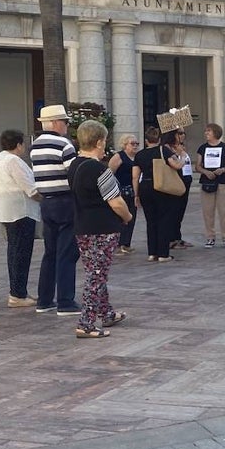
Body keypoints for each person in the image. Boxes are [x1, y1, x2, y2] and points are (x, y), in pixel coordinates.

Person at [67, 120, 133, 338]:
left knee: (95, 271)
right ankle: (86, 323)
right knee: (96, 275)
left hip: (83, 227)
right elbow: (116, 202)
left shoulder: (75, 165)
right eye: (104, 140)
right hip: (102, 229)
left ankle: (106, 313)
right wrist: (128, 216)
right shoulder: (98, 169)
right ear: (98, 142)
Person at [30, 104, 78, 315]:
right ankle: (66, 302)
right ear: (57, 123)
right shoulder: (64, 145)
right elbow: (73, 173)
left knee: (50, 253)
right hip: (65, 201)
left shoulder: (35, 145)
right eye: (65, 121)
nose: (67, 125)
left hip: (46, 202)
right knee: (66, 252)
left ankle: (45, 299)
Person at [0, 129, 40, 308]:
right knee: (21, 253)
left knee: (14, 252)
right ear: (18, 144)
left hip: (6, 211)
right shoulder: (14, 161)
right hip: (21, 212)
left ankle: (18, 291)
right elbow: (31, 189)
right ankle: (18, 294)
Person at [131, 126, 181, 263]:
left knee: (151, 221)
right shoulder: (163, 150)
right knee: (164, 220)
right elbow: (176, 166)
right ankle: (163, 254)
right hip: (161, 187)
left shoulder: (140, 155)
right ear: (159, 139)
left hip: (145, 187)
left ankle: (152, 253)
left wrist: (136, 195)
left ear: (146, 140)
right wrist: (181, 157)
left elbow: (135, 177)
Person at [196, 123, 225, 248]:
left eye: (209, 131)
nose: (206, 133)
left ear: (216, 133)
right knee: (208, 211)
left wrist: (223, 169)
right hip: (207, 182)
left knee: (224, 211)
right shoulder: (202, 148)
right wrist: (206, 172)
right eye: (206, 131)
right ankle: (210, 237)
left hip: (222, 181)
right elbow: (197, 166)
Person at [108, 133, 139, 254]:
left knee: (132, 216)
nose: (135, 146)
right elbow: (110, 173)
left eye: (137, 144)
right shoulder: (119, 157)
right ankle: (118, 243)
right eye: (132, 144)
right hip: (121, 191)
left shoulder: (137, 157)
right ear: (125, 145)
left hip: (133, 190)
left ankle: (126, 243)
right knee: (121, 217)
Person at [169, 129, 194, 249]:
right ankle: (172, 238)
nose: (182, 135)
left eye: (184, 133)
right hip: (177, 182)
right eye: (179, 133)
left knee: (181, 211)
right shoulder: (170, 149)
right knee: (174, 210)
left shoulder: (182, 147)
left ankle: (177, 237)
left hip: (186, 181)